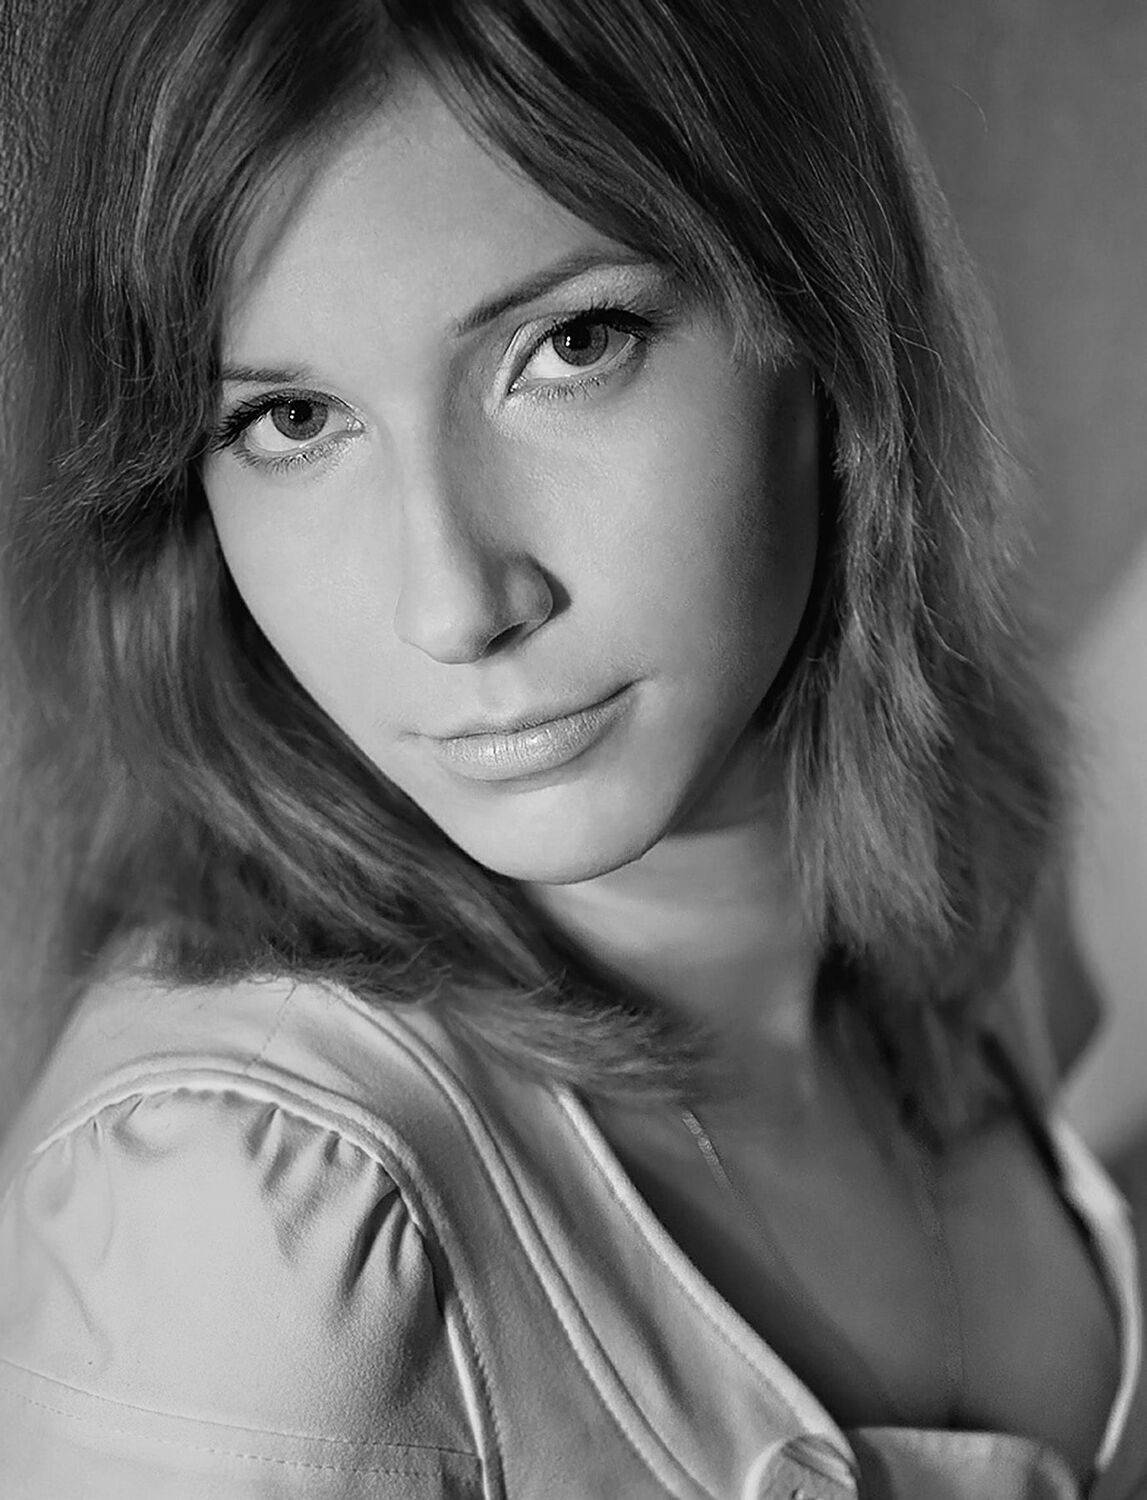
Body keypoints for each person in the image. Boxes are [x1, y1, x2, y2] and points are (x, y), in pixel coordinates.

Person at [0, 0, 1141, 1494]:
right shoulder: (249, 1216)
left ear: (825, 318)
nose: (454, 604)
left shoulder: (969, 940)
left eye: (569, 346)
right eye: (291, 421)